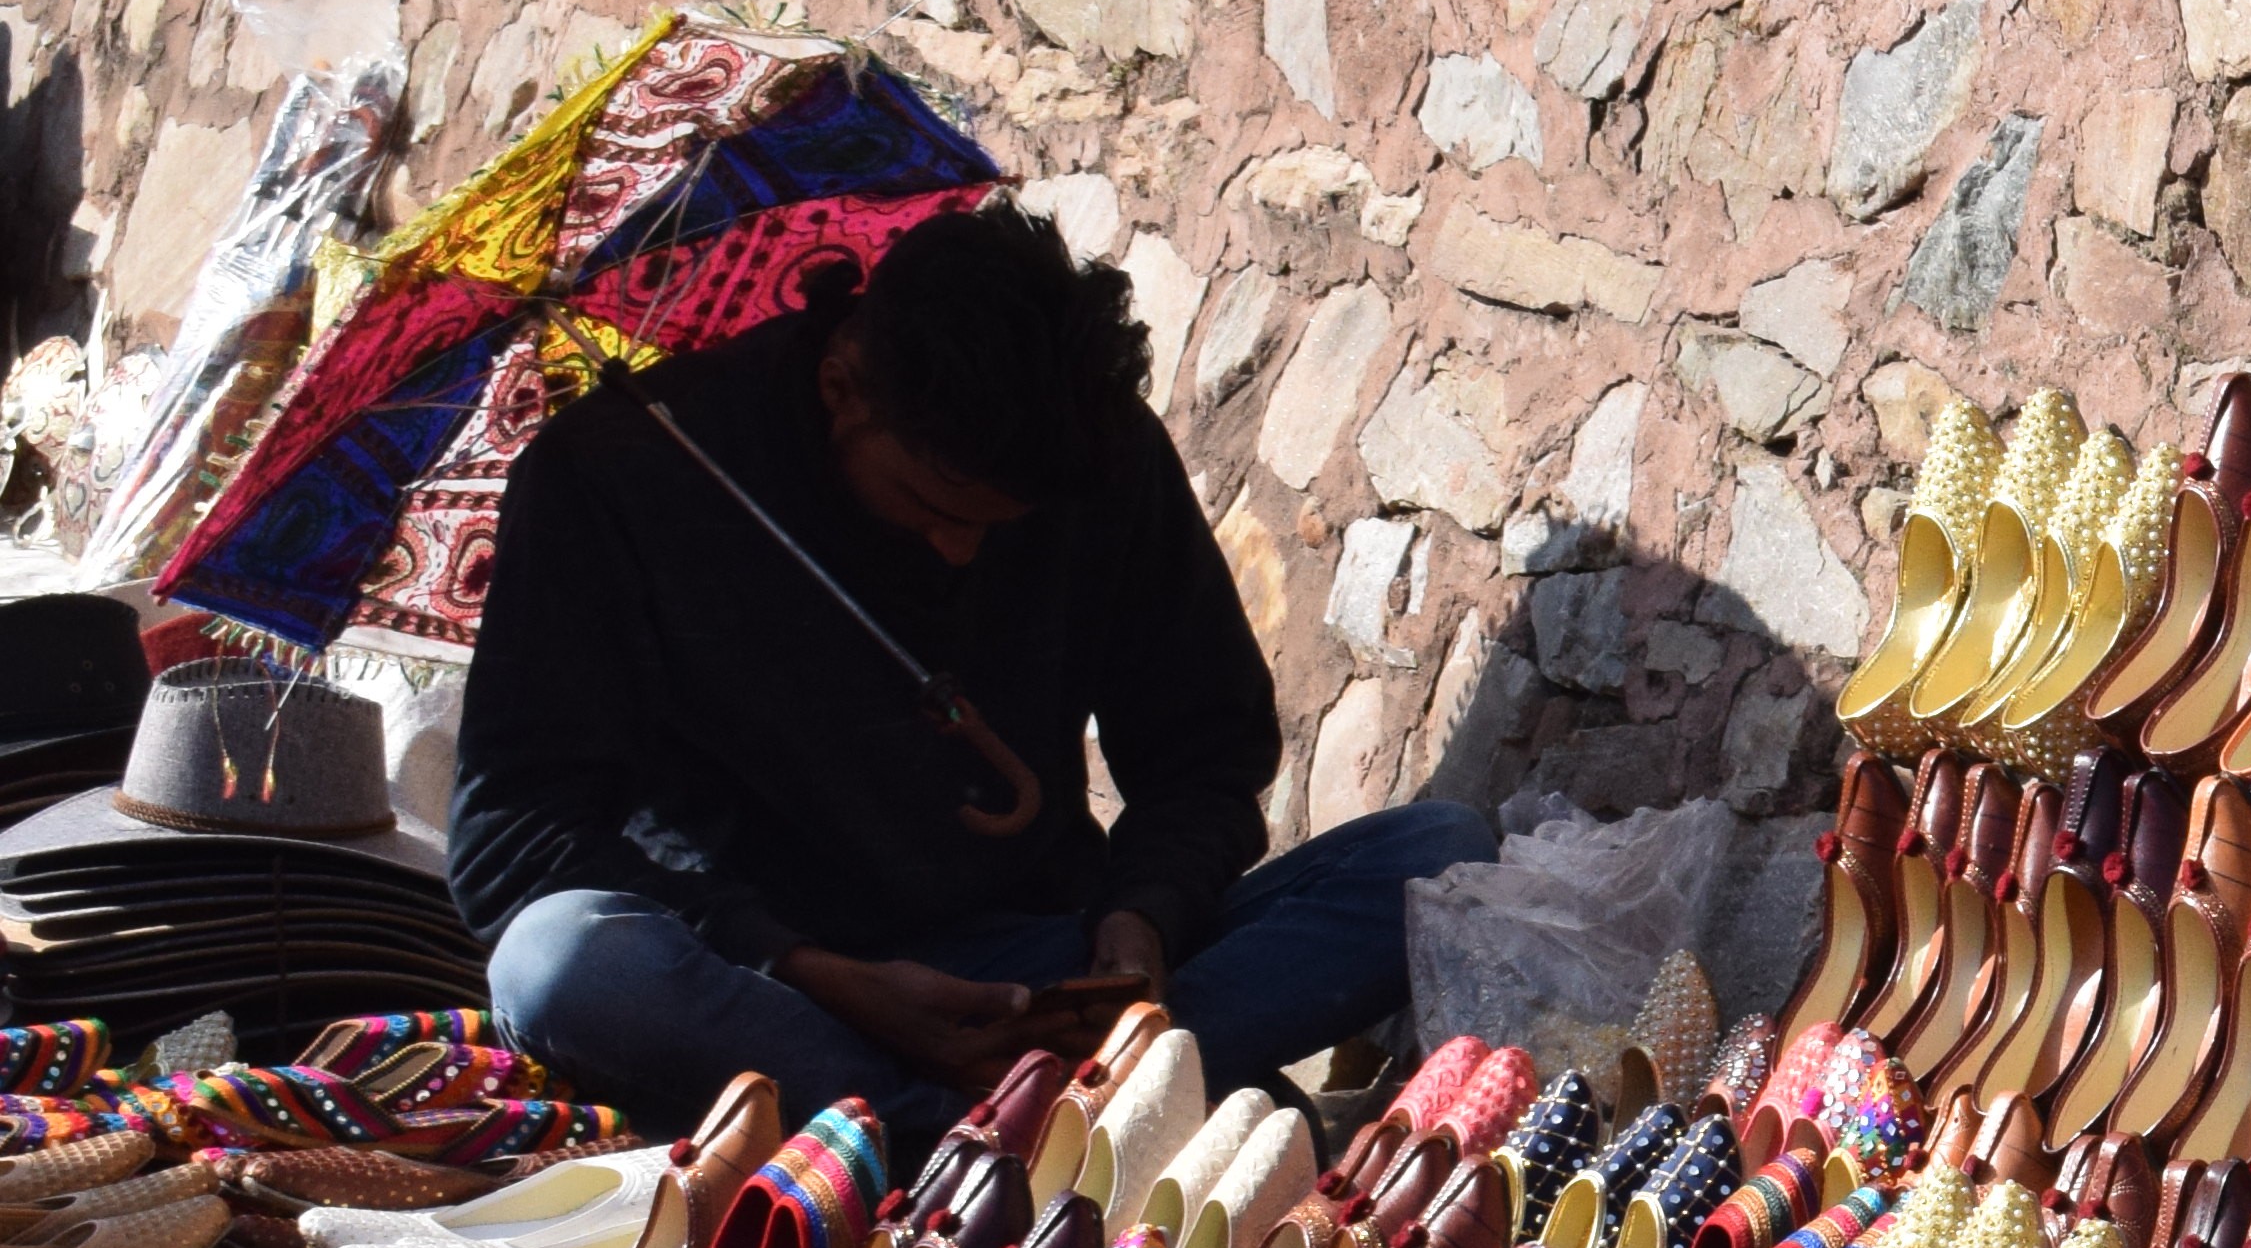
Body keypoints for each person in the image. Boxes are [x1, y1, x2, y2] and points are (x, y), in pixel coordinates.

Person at [450, 201, 1496, 1132]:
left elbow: (1207, 754)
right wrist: (818, 972)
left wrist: (1141, 916)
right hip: (783, 991)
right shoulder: (626, 473)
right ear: (841, 389)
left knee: (1446, 852)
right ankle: (988, 1128)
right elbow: (513, 840)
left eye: (1003, 526)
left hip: (1037, 964)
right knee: (560, 964)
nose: (962, 552)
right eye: (936, 510)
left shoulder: (1089, 445)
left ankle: (1088, 1090)